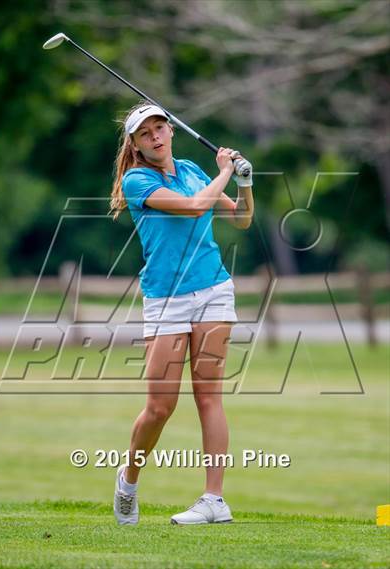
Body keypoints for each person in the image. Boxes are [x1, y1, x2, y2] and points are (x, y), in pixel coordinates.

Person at [109, 102, 254, 525]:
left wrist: (245, 182)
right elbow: (193, 207)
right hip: (166, 298)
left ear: (170, 131)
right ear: (135, 145)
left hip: (212, 288)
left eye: (160, 127)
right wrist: (225, 171)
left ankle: (214, 500)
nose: (155, 136)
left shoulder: (191, 169)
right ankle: (129, 481)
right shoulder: (137, 180)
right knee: (160, 406)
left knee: (209, 396)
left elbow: (242, 220)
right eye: (144, 133)